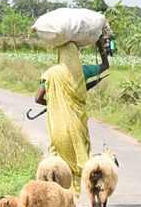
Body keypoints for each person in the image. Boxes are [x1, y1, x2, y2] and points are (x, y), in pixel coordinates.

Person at [34, 38, 110, 193]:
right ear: (75, 54)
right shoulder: (82, 71)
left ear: (61, 54)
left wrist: (54, 104)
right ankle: (86, 194)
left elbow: (38, 98)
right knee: (80, 159)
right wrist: (100, 44)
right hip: (77, 126)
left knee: (59, 161)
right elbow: (105, 66)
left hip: (58, 127)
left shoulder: (51, 74)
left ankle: (61, 197)